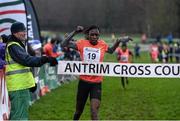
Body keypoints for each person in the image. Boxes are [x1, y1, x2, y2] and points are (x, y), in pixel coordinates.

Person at [62, 25, 131, 120]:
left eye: (97, 35)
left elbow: (110, 50)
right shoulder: (82, 43)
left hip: (96, 83)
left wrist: (118, 40)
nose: (94, 37)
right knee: (79, 111)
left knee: (94, 112)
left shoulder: (102, 44)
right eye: (92, 35)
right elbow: (64, 44)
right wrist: (75, 32)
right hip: (83, 83)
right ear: (88, 35)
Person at [5, 22, 58, 120]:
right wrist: (45, 59)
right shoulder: (14, 45)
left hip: (20, 86)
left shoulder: (17, 44)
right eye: (22, 31)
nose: (25, 33)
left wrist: (31, 83)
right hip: (18, 87)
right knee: (19, 117)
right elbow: (27, 60)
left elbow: (23, 66)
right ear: (15, 33)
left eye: (25, 30)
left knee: (20, 115)